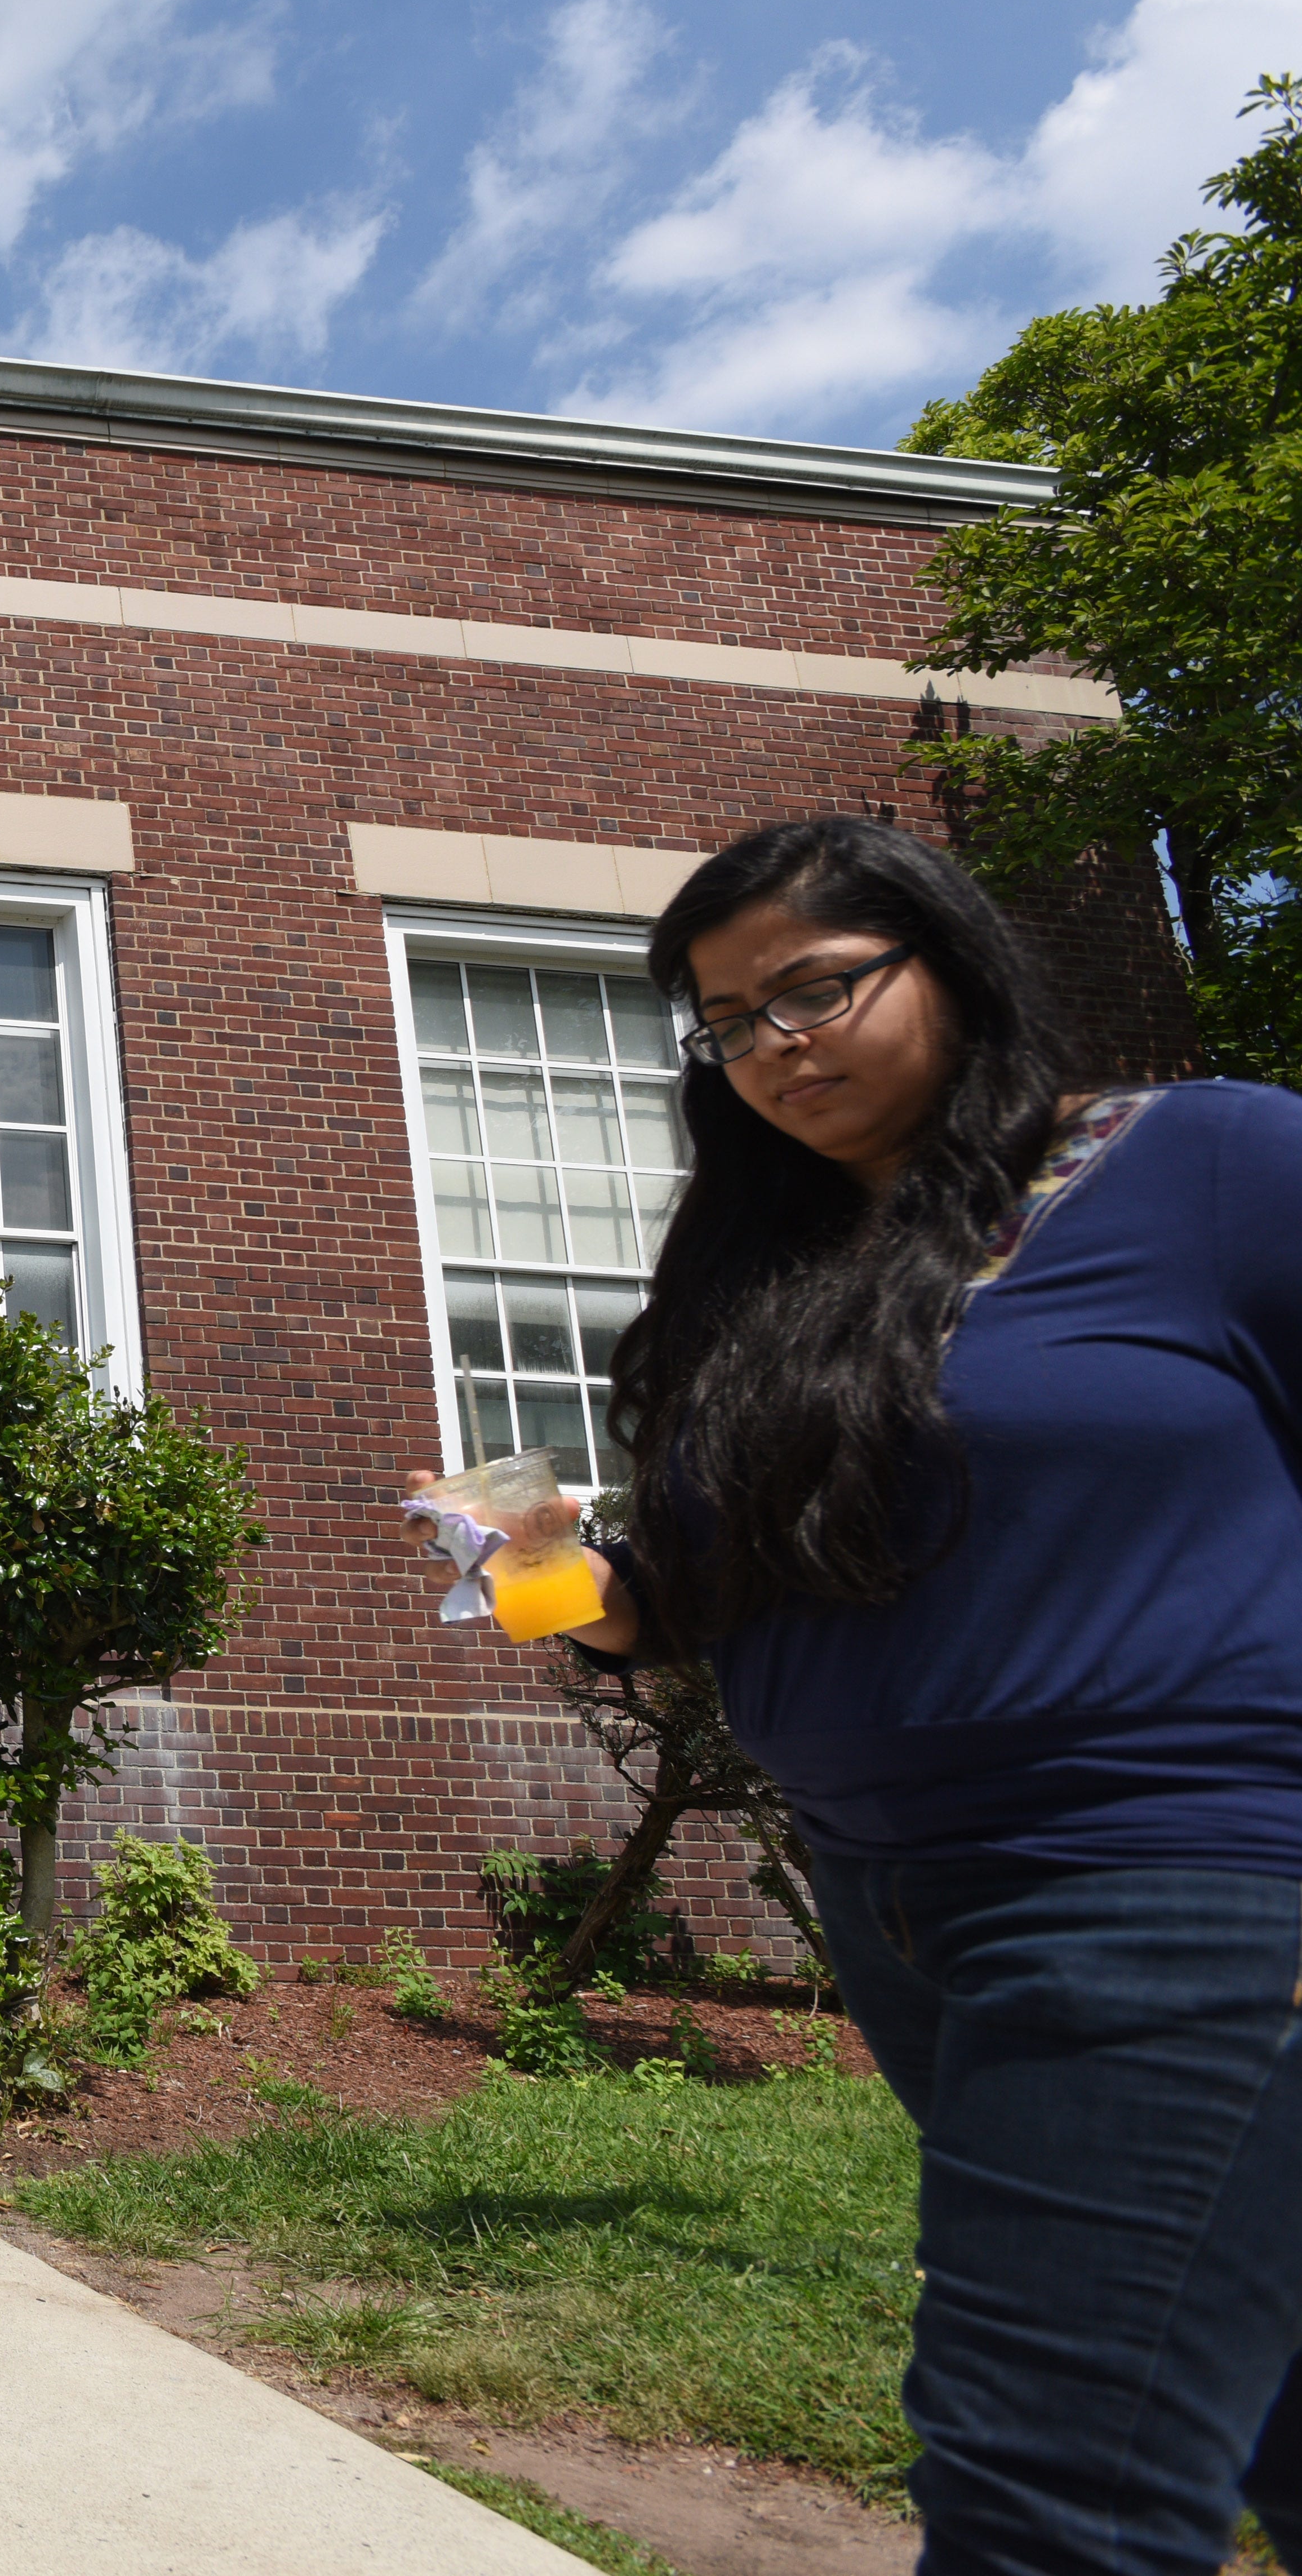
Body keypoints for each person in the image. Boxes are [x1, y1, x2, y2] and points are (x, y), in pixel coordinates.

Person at [402, 815, 1302, 2572]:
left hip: (1164, 1878)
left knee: (1045, 2489)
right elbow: (663, 1608)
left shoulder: (1204, 1165)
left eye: (814, 988)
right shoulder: (782, 1291)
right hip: (897, 1901)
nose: (776, 1047)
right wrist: (521, 1556)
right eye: (730, 1023)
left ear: (947, 959)